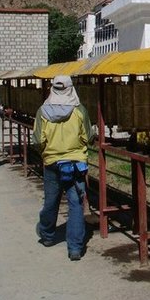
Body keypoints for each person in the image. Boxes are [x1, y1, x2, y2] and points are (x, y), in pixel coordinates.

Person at [32, 75, 94, 261]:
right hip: (76, 164)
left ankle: (47, 235)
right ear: (70, 88)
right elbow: (88, 137)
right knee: (76, 204)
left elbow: (37, 140)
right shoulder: (79, 110)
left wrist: (48, 152)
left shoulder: (42, 111)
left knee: (51, 201)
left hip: (52, 163)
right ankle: (75, 248)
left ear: (53, 89)